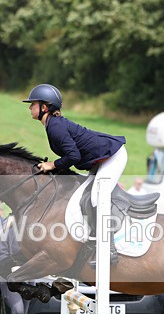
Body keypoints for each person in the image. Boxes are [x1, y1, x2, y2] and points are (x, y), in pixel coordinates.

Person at [24, 83, 127, 264]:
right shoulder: (52, 125)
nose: (30, 107)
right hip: (100, 160)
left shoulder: (55, 127)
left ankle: (108, 248)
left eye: (33, 103)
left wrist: (52, 165)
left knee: (96, 198)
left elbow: (73, 155)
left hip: (112, 156)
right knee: (84, 197)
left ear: (44, 107)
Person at [0, 215, 29, 314]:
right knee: (17, 310)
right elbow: (2, 258)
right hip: (10, 279)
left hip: (29, 279)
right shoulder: (6, 233)